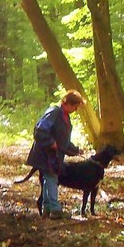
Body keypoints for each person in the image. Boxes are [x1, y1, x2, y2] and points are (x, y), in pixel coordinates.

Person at [25, 90, 84, 219]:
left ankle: (47, 208)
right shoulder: (54, 112)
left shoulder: (65, 116)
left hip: (54, 155)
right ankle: (55, 209)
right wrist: (50, 142)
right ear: (67, 103)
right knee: (51, 178)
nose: (75, 109)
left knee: (48, 179)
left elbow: (63, 140)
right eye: (75, 106)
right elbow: (40, 130)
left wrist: (75, 150)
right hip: (45, 154)